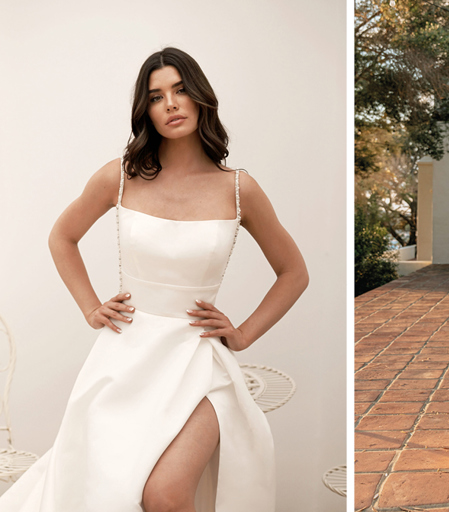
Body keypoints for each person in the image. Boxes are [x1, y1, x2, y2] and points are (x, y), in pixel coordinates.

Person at [0, 47, 308, 512]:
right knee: (102, 493)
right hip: (123, 361)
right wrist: (90, 307)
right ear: (145, 110)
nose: (170, 103)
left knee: (165, 494)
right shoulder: (120, 178)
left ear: (201, 97)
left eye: (181, 90)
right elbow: (62, 237)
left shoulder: (239, 188)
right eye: (156, 95)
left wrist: (241, 335)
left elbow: (294, 273)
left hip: (200, 367)